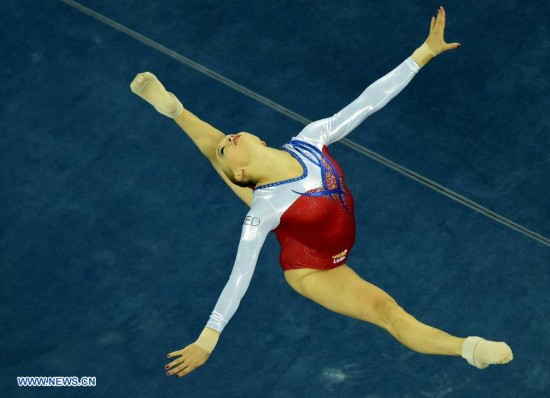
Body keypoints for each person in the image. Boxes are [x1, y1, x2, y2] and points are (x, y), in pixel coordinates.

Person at [131, 7, 513, 378]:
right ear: (241, 172)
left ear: (260, 140)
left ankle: (175, 110)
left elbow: (368, 101)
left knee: (236, 167)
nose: (228, 138)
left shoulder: (310, 139)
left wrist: (424, 53)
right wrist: (207, 339)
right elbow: (239, 276)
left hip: (294, 211)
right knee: (388, 312)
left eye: (229, 139)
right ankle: (470, 348)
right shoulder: (262, 210)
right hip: (313, 266)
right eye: (227, 149)